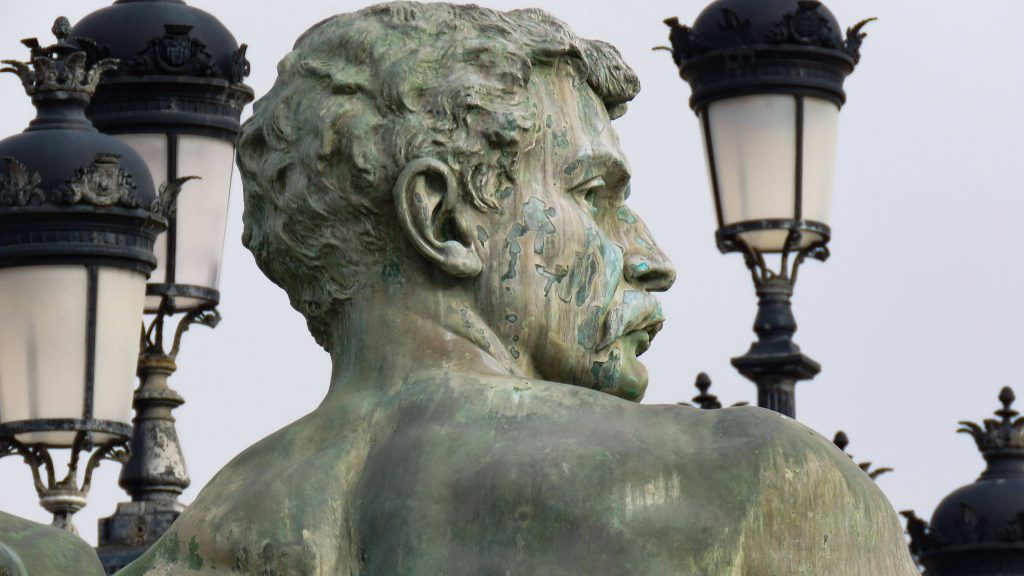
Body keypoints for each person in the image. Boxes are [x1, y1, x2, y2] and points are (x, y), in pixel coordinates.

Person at [119, 3, 918, 574]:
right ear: (445, 218)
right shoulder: (767, 487)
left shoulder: (186, 550)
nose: (651, 257)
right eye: (596, 196)